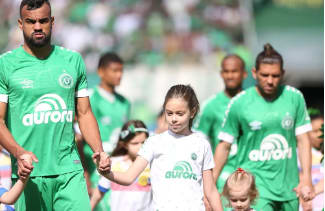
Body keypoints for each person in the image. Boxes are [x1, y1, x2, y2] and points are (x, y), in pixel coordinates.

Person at [0, 0, 110, 210]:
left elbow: (85, 113)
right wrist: (18, 153)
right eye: (31, 21)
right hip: (29, 175)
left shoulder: (73, 61)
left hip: (69, 171)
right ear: (20, 24)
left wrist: (99, 150)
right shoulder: (5, 65)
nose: (38, 26)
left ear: (52, 21)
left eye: (43, 20)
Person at [214, 43, 313, 211]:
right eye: (264, 75)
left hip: (289, 187)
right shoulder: (239, 102)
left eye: (275, 76)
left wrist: (307, 178)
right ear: (254, 73)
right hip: (255, 186)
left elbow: (303, 140)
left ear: (282, 74)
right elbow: (224, 146)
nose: (270, 80)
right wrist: (211, 187)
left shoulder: (294, 98)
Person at [94, 84, 223, 210]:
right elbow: (128, 177)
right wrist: (105, 172)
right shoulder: (154, 142)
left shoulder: (202, 144)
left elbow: (211, 191)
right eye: (169, 113)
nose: (173, 119)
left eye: (179, 113)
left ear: (192, 112)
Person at [76, 52, 130, 210]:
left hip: (118, 168)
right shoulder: (90, 98)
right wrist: (84, 173)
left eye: (121, 71)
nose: (119, 75)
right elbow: (78, 138)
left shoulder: (124, 102)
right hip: (95, 169)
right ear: (100, 71)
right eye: (114, 70)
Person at [194, 54, 247, 192]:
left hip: (251, 171)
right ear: (221, 74)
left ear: (245, 74)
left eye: (234, 71)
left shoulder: (253, 103)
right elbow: (198, 142)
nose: (230, 76)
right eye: (226, 71)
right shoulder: (210, 105)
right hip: (222, 174)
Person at [90, 120, 151, 211]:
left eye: (144, 142)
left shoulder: (152, 164)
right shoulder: (113, 163)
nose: (140, 146)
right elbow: (100, 191)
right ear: (125, 144)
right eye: (135, 143)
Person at [299, 110, 324, 211]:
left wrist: (313, 193)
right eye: (315, 131)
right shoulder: (300, 153)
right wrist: (305, 199)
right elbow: (298, 178)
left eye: (322, 130)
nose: (319, 135)